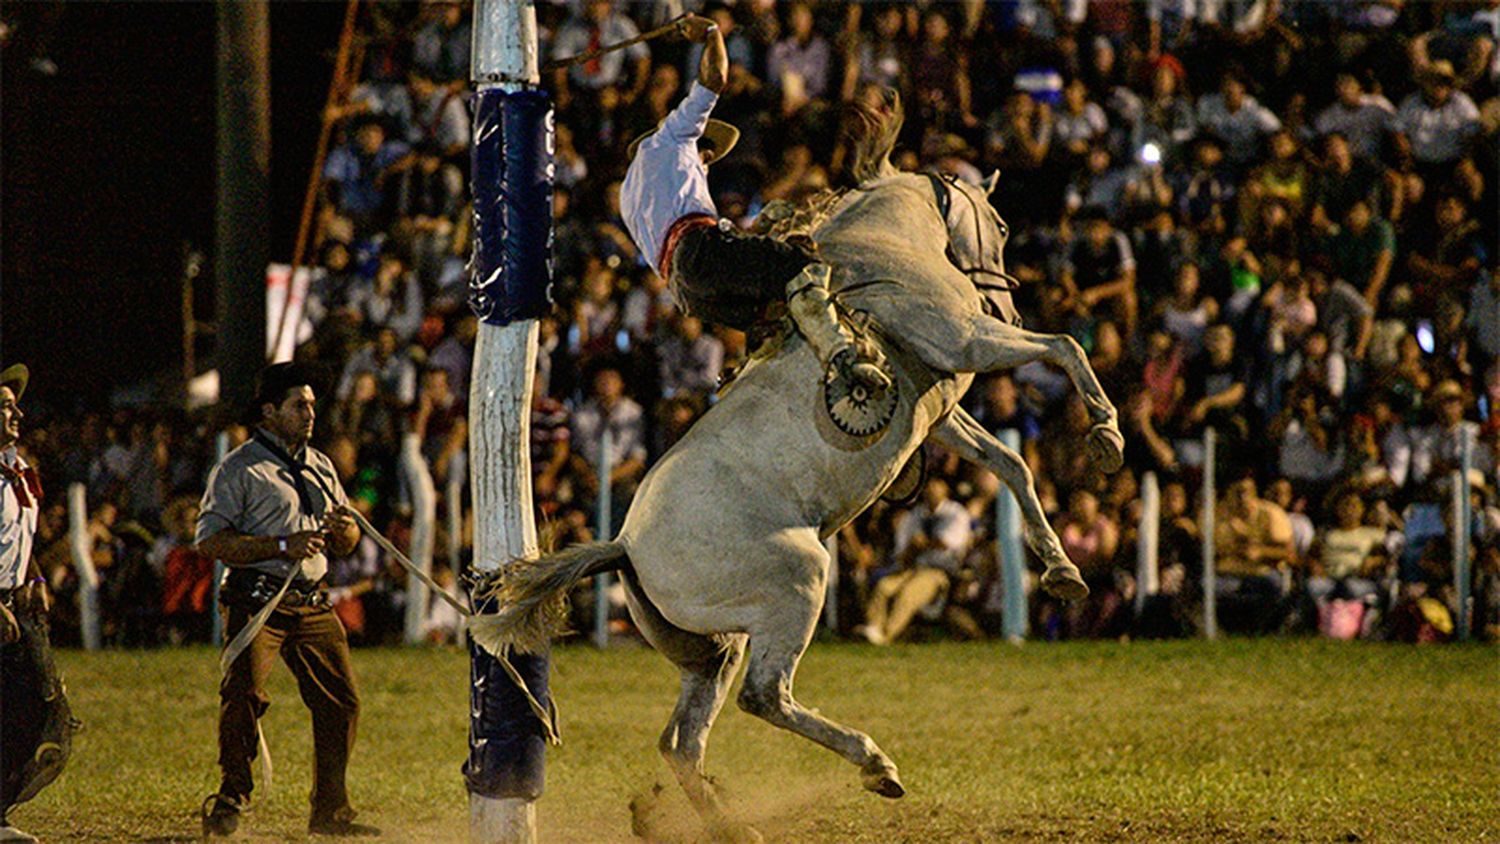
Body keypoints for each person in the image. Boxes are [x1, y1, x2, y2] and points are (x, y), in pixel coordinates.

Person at [620, 14, 887, 394]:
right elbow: (714, 79)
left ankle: (762, 381)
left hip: (687, 293)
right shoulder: (675, 135)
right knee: (801, 266)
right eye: (706, 150)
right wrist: (712, 35)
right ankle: (844, 357)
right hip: (699, 254)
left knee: (777, 315)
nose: (707, 159)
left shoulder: (632, 191)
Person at [196, 363, 377, 838]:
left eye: (312, 405)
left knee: (342, 701)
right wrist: (279, 545)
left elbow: (349, 540)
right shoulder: (238, 468)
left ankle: (330, 811)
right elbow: (210, 541)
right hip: (257, 600)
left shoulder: (320, 465)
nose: (310, 414)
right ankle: (232, 795)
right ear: (269, 410)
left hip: (311, 602)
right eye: (299, 405)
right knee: (244, 696)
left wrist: (346, 532)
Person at [0, 364, 74, 844]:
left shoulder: (17, 469)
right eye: (5, 405)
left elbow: (15, 543)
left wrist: (35, 577)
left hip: (14, 607)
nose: (17, 412)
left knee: (40, 709)